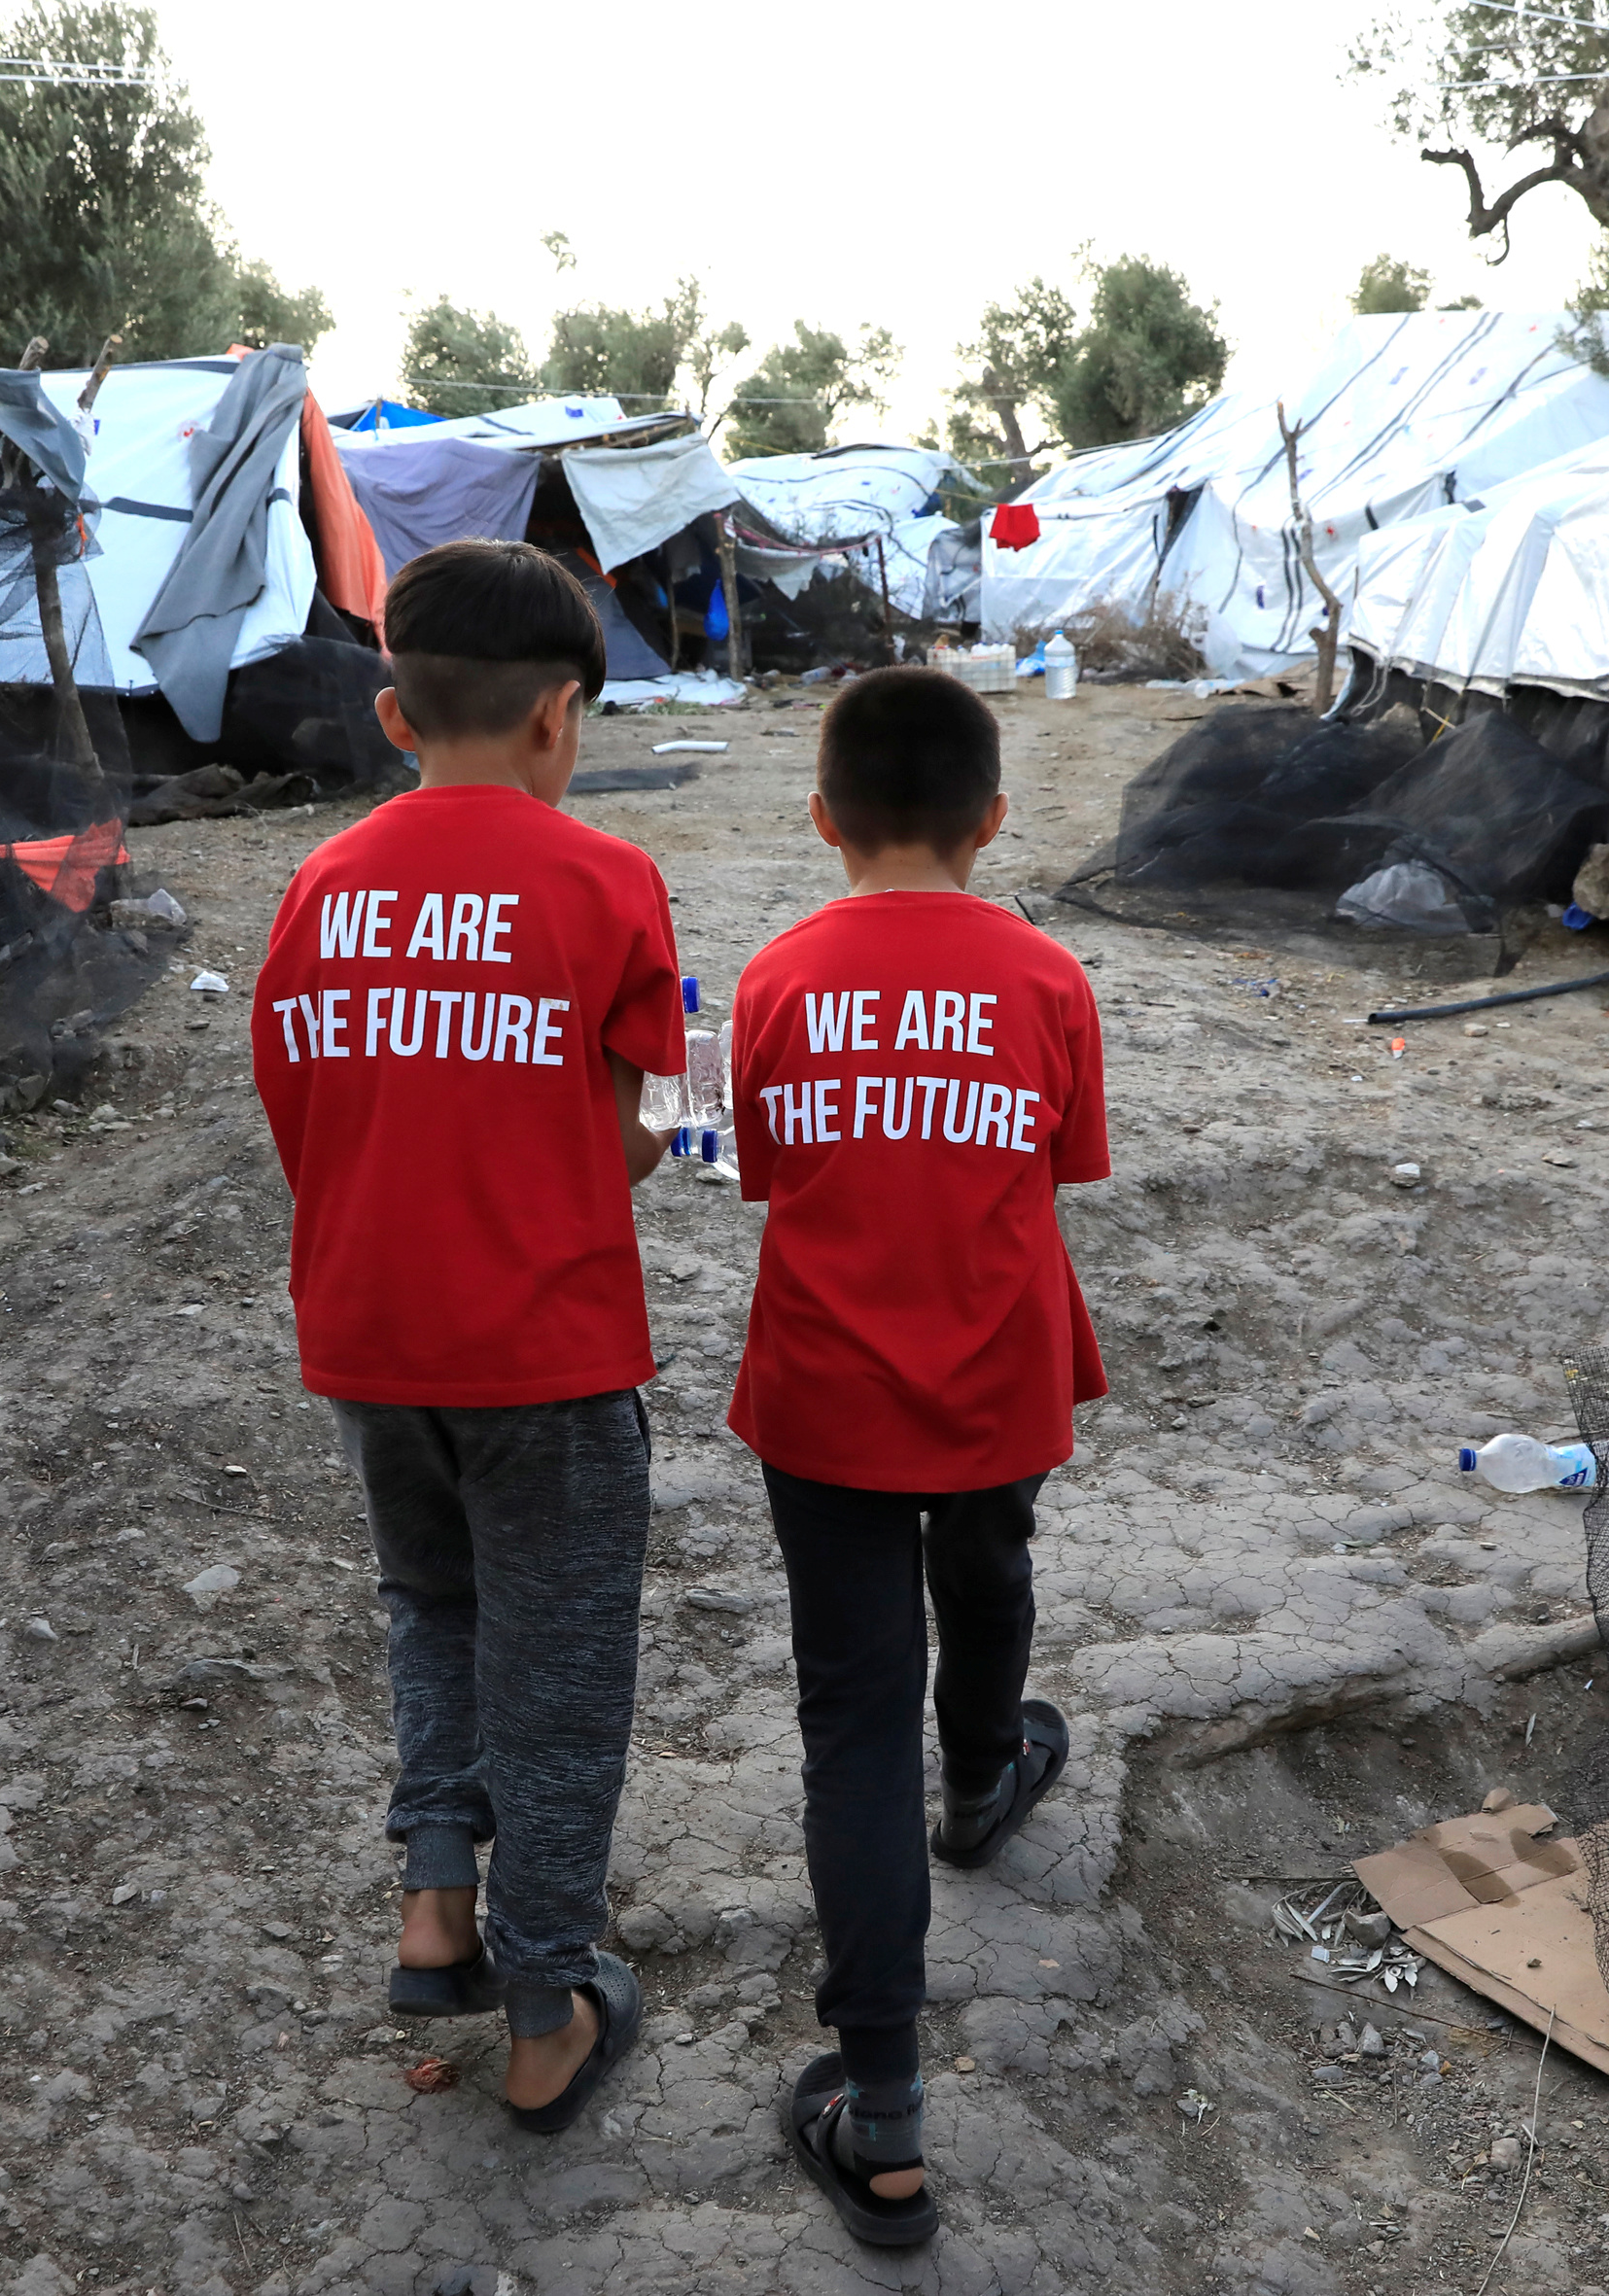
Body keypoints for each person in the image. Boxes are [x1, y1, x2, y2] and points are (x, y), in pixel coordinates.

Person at [249, 539, 679, 2134]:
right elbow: (651, 1126)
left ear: (391, 710)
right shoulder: (610, 882)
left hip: (370, 1338)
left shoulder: (319, 884)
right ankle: (547, 2004)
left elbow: (305, 1110)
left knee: (431, 1596)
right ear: (562, 716)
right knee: (559, 1667)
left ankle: (437, 1891)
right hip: (546, 1353)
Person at [721, 665, 1110, 2245]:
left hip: (825, 1392)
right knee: (993, 1561)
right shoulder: (1044, 978)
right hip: (997, 1367)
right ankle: (984, 1776)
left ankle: (881, 2109)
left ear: (822, 818)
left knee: (847, 1717)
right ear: (993, 821)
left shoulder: (772, 979)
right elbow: (1056, 1166)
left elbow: (759, 1171)